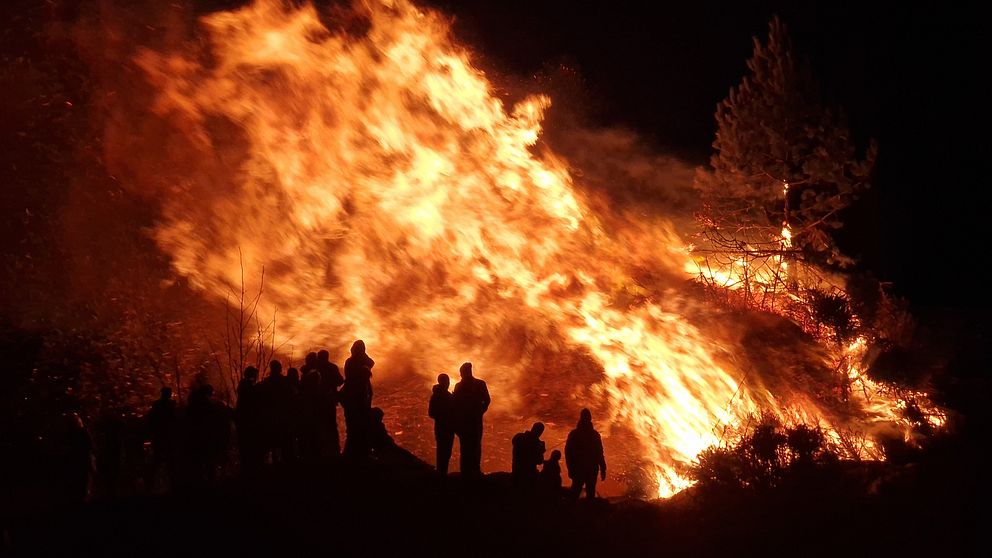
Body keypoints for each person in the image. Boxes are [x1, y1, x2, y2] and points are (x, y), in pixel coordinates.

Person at [452, 362, 490, 479]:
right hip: (466, 421)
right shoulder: (462, 386)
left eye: (462, 373)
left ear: (467, 372)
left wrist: (480, 411)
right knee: (467, 446)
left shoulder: (479, 384)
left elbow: (487, 400)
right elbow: (455, 404)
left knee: (473, 445)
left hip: (473, 421)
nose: (461, 375)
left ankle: (473, 470)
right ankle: (467, 471)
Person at [564, 408, 606, 501]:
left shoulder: (575, 434)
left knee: (578, 493)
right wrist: (603, 468)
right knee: (582, 493)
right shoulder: (593, 435)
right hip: (586, 469)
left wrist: (603, 468)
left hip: (582, 469)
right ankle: (578, 512)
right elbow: (600, 453)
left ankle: (571, 512)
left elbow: (568, 453)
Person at [341, 343, 374, 460]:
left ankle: (351, 453)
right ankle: (359, 453)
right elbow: (371, 362)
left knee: (351, 427)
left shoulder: (349, 361)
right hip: (357, 399)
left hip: (348, 397)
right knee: (359, 426)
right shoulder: (359, 366)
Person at [428, 373, 455, 477]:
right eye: (446, 381)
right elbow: (431, 413)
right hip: (444, 428)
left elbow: (431, 413)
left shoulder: (444, 396)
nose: (448, 383)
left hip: (444, 428)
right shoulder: (438, 397)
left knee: (444, 451)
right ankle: (441, 474)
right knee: (444, 451)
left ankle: (442, 473)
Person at [511, 422, 546, 490]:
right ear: (540, 432)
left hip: (516, 470)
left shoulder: (518, 437)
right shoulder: (537, 444)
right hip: (529, 474)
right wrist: (541, 451)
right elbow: (539, 461)